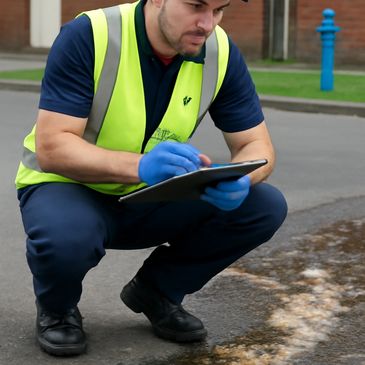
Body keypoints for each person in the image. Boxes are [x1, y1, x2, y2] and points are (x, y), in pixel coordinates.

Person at [15, 0, 287, 357]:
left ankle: (158, 291)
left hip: (149, 194)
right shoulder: (91, 35)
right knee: (67, 237)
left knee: (264, 206)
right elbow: (52, 147)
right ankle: (58, 308)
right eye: (195, 5)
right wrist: (140, 165)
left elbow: (256, 144)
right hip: (68, 187)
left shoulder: (218, 50)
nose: (206, 24)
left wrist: (243, 179)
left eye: (219, 9)